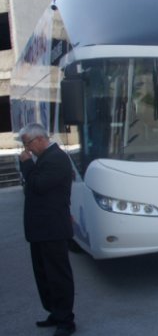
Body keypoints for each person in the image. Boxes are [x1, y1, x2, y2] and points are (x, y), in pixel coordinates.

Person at [18, 123, 76, 336]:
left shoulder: (56, 159)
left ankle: (66, 321)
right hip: (40, 229)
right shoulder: (44, 158)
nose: (26, 149)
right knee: (44, 275)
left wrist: (26, 166)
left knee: (58, 276)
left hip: (53, 229)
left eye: (27, 143)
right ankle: (55, 312)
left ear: (40, 139)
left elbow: (39, 185)